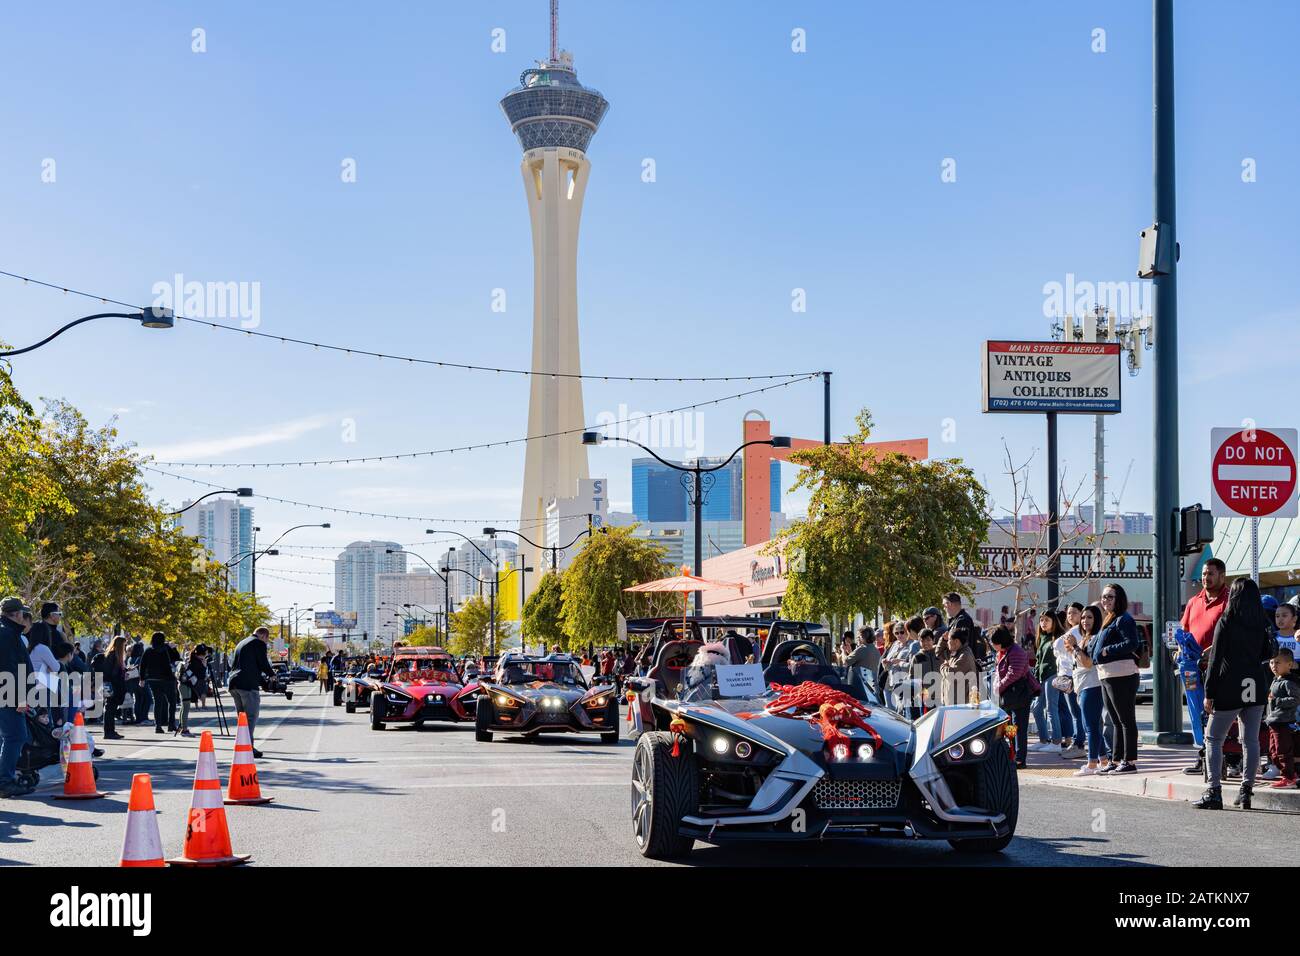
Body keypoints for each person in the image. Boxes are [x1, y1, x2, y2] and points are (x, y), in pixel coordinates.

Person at [1194, 578, 1276, 810]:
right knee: (1249, 740)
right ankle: (1246, 790)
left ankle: (1214, 791)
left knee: (1213, 738)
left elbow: (1216, 658)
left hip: (1230, 684)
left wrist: (1209, 692)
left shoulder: (1228, 620)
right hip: (1255, 684)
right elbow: (1267, 652)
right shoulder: (1262, 621)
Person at [1089, 584, 1142, 775]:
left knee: (1126, 720)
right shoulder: (1110, 618)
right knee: (1116, 720)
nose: (1106, 600)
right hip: (1107, 675)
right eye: (1104, 597)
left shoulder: (1124, 619)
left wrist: (1106, 650)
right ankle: (1116, 759)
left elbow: (1132, 643)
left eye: (1110, 597)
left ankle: (1129, 761)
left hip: (1122, 675)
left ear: (1119, 598)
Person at [1067, 604, 1112, 776]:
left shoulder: (1095, 638)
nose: (1085, 620)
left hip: (1092, 686)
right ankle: (1103, 759)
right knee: (1092, 725)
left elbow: (1087, 663)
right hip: (1083, 686)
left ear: (1097, 620)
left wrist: (1075, 647)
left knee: (1091, 726)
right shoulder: (1085, 638)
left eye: (1090, 617)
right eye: (1084, 617)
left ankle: (1092, 763)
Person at [0, 597, 35, 797]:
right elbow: (11, 669)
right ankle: (5, 781)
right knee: (15, 736)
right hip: (8, 696)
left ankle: (5, 779)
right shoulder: (7, 634)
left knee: (9, 737)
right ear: (17, 614)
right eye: (23, 613)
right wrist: (21, 697)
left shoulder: (8, 632)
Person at [1029, 610, 1074, 755]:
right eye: (1041, 620)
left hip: (1054, 675)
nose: (1043, 623)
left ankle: (1056, 742)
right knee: (1037, 709)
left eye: (1047, 620)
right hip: (1042, 677)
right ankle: (1044, 740)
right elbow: (1038, 659)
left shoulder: (1059, 637)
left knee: (1051, 708)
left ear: (1054, 621)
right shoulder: (1041, 638)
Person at [990, 625, 1034, 769]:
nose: (993, 646)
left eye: (994, 643)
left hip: (1019, 695)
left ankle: (1021, 759)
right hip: (1009, 697)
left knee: (1019, 728)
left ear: (1001, 641)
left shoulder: (1016, 652)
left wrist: (999, 686)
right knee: (1010, 728)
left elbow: (1013, 673)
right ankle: (1013, 755)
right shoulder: (1003, 652)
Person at [229, 627, 277, 758]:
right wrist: (272, 675)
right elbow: (262, 663)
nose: (266, 643)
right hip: (247, 686)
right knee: (251, 717)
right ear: (263, 636)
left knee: (242, 718)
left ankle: (241, 745)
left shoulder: (242, 643)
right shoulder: (258, 643)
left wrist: (264, 684)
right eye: (267, 640)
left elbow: (251, 666)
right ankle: (248, 747)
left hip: (234, 683)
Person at [1264, 648, 1298, 789]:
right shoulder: (1276, 680)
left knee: (1283, 751)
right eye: (1271, 662)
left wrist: (1277, 701)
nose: (1273, 665)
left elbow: (1295, 699)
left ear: (1289, 665)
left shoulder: (1289, 682)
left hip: (1283, 722)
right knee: (1273, 751)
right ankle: (1290, 775)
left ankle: (1289, 778)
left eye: (1277, 662)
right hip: (1273, 721)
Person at [140, 632, 178, 734]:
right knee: (172, 701)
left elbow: (142, 665)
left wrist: (142, 678)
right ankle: (171, 724)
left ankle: (158, 725)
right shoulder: (166, 648)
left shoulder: (148, 650)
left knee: (158, 702)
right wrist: (173, 648)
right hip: (167, 678)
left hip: (153, 679)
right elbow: (176, 658)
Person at [93, 636, 128, 739]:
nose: (124, 647)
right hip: (114, 685)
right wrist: (122, 675)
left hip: (110, 684)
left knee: (110, 708)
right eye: (124, 645)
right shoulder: (114, 656)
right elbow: (113, 673)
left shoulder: (111, 655)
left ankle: (110, 731)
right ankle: (109, 732)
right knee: (110, 709)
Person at [939, 627, 978, 706]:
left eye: (949, 639)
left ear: (956, 641)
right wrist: (942, 640)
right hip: (955, 702)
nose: (947, 642)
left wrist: (943, 667)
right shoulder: (957, 652)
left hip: (960, 704)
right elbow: (939, 654)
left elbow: (952, 675)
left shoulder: (964, 655)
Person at [176, 645, 207, 736]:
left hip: (183, 685)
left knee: (183, 707)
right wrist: (204, 666)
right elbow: (201, 676)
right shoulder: (196, 662)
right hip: (185, 686)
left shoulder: (191, 660)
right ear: (201, 654)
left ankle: (182, 726)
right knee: (186, 708)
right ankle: (184, 729)